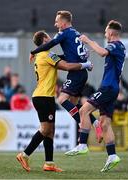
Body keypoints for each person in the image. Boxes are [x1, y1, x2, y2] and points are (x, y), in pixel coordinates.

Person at [16, 31, 92, 172]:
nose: (51, 38)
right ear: (45, 39)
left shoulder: (41, 55)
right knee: (45, 130)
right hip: (43, 97)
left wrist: (78, 58)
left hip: (44, 97)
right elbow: (67, 66)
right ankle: (24, 155)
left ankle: (49, 163)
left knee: (50, 131)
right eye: (48, 37)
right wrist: (85, 64)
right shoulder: (47, 55)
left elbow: (64, 58)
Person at [29, 10, 101, 142]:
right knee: (74, 104)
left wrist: (33, 51)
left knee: (62, 99)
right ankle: (96, 124)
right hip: (81, 73)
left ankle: (81, 125)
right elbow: (72, 56)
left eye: (57, 21)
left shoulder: (63, 33)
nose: (55, 24)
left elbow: (51, 45)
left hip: (76, 73)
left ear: (63, 22)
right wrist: (86, 63)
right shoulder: (75, 33)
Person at [65, 20, 126, 172]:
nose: (105, 34)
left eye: (106, 32)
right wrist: (90, 51)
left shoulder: (116, 45)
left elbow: (103, 52)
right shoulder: (118, 48)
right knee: (105, 123)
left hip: (108, 88)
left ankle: (83, 144)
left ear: (111, 33)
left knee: (83, 111)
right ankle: (112, 156)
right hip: (112, 89)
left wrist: (88, 41)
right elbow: (103, 52)